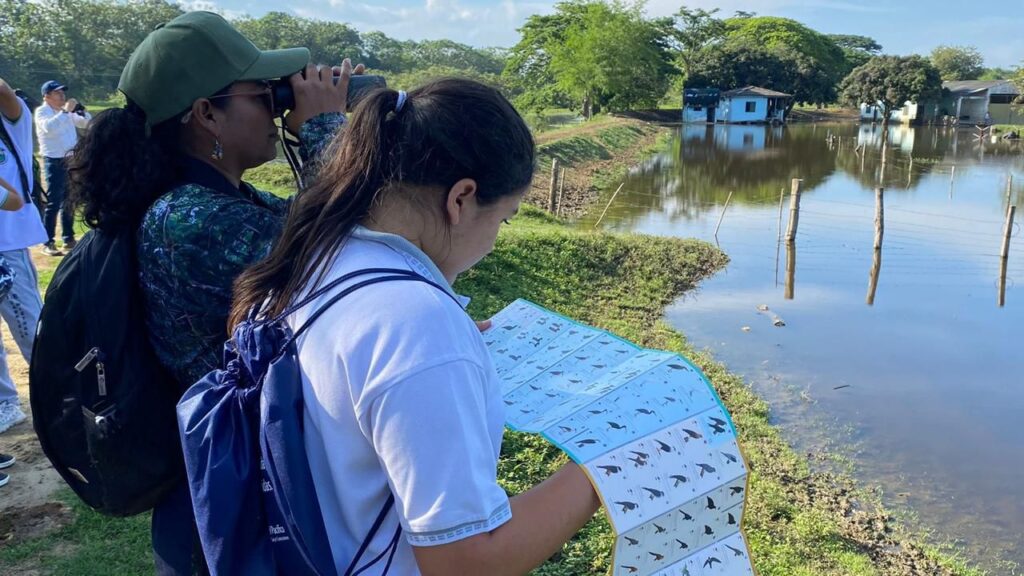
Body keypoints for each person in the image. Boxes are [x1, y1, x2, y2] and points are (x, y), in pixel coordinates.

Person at [229, 78, 601, 575]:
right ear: (462, 198)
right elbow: (464, 562)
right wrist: (606, 467)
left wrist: (432, 355)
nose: (496, 236)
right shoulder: (417, 324)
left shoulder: (319, 256)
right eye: (505, 219)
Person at [66, 10, 361, 575]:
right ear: (207, 115)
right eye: (264, 94)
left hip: (245, 475)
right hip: (229, 500)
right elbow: (346, 256)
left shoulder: (222, 201)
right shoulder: (189, 220)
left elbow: (322, 227)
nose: (278, 106)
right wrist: (327, 128)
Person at [0, 77, 45, 437]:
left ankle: (59, 390)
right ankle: (5, 403)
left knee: (29, 323)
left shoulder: (11, 124)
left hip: (8, 243)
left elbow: (4, 92)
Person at [35, 80, 91, 255]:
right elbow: (48, 128)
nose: (62, 96)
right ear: (47, 96)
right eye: (58, 93)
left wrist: (81, 110)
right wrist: (66, 111)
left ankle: (68, 238)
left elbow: (86, 124)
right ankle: (48, 241)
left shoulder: (64, 112)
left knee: (70, 200)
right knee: (54, 202)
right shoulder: (41, 112)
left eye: (63, 93)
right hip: (53, 160)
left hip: (71, 160)